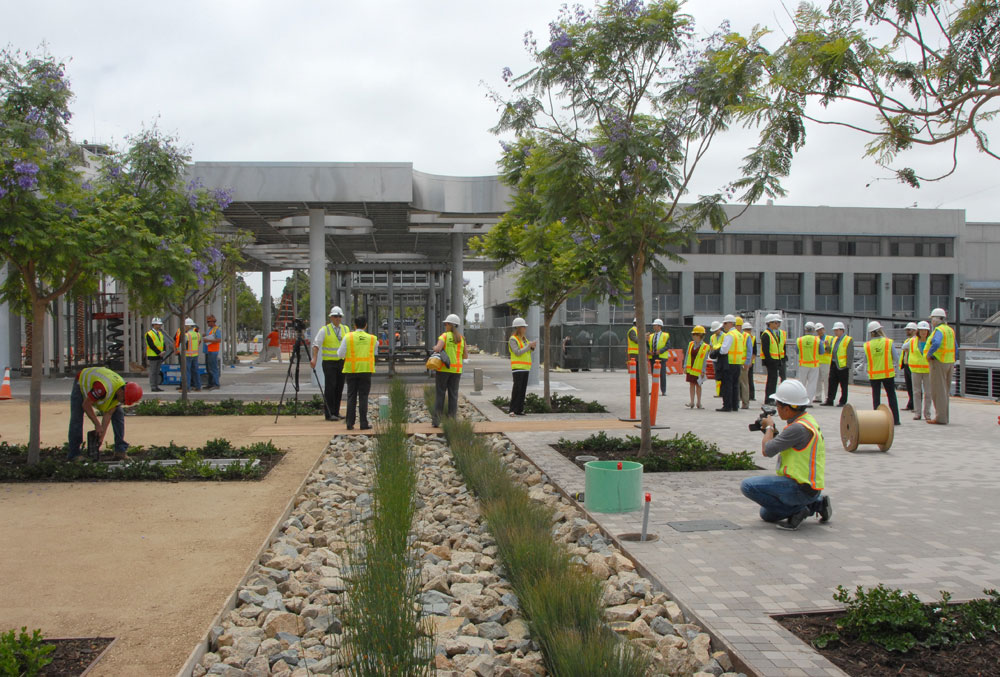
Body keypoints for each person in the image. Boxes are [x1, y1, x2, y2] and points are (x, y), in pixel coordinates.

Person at [739, 379, 832, 531]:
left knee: (748, 486)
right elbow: (782, 443)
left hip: (800, 487)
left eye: (779, 405)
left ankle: (798, 511)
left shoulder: (797, 428)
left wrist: (769, 426)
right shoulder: (806, 421)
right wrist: (770, 430)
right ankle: (817, 504)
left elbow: (767, 450)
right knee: (766, 514)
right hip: (810, 488)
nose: (777, 409)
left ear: (788, 408)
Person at [68, 367, 143, 462]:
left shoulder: (121, 391)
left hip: (100, 385)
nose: (123, 402)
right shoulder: (103, 387)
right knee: (77, 417)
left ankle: (120, 450)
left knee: (118, 413)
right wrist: (97, 424)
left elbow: (108, 414)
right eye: (124, 400)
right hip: (81, 382)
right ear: (122, 391)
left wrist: (101, 436)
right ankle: (74, 454)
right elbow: (86, 405)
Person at [337, 315, 376, 430]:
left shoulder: (348, 337)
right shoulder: (372, 338)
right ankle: (363, 423)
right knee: (363, 397)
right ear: (366, 325)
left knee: (351, 396)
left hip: (351, 370)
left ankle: (350, 423)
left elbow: (340, 354)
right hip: (366, 370)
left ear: (354, 325)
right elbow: (375, 350)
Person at [311, 306, 348, 421]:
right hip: (329, 363)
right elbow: (316, 345)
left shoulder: (346, 329)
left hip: (342, 362)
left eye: (339, 316)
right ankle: (329, 413)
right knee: (330, 387)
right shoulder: (325, 330)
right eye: (335, 316)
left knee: (339, 387)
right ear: (331, 317)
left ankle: (336, 412)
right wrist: (314, 358)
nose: (338, 318)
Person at [432, 314, 468, 427]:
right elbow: (465, 356)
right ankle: (451, 419)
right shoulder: (461, 338)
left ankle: (437, 421)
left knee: (440, 394)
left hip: (444, 369)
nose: (445, 325)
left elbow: (437, 349)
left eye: (445, 324)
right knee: (453, 395)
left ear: (449, 324)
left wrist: (434, 348)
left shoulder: (444, 336)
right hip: (456, 371)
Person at [923, 307, 956, 425]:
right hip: (949, 362)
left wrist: (929, 354)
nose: (931, 321)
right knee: (945, 391)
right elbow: (955, 347)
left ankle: (940, 418)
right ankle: (945, 416)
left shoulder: (939, 330)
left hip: (939, 362)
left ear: (936, 319)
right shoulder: (950, 330)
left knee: (938, 391)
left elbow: (936, 343)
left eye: (932, 319)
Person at [864, 321, 900, 425]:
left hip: (874, 375)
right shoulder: (888, 342)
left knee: (876, 397)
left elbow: (865, 360)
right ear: (880, 330)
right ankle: (896, 419)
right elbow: (896, 358)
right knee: (891, 396)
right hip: (887, 374)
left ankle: (877, 421)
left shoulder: (867, 345)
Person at [508, 317, 537, 416]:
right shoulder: (513, 339)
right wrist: (528, 346)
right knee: (517, 388)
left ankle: (519, 409)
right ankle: (512, 409)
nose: (525, 329)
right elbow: (517, 352)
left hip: (525, 368)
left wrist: (532, 348)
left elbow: (527, 351)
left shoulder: (524, 339)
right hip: (518, 367)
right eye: (524, 327)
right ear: (519, 328)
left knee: (522, 389)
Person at [717, 314, 743, 412]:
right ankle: (735, 405)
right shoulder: (739, 334)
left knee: (727, 385)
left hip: (729, 362)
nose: (723, 325)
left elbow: (724, 350)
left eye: (725, 323)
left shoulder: (729, 335)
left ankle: (727, 406)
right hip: (737, 363)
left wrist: (717, 351)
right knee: (735, 385)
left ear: (731, 323)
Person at [823, 322, 852, 407]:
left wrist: (848, 366)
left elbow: (850, 354)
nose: (835, 332)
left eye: (836, 330)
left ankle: (843, 401)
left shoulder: (848, 340)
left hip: (843, 366)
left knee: (843, 385)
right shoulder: (834, 339)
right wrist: (827, 346)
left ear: (842, 330)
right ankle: (830, 400)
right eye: (834, 330)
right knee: (832, 383)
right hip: (834, 364)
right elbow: (829, 351)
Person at [760, 314, 787, 402]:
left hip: (777, 360)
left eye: (778, 322)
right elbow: (766, 350)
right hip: (771, 361)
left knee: (774, 380)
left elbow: (781, 347)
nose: (778, 324)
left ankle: (771, 398)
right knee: (771, 381)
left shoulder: (776, 334)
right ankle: (769, 399)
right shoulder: (766, 334)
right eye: (776, 323)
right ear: (770, 323)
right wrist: (770, 360)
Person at [909, 321, 932, 420]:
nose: (923, 332)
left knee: (928, 393)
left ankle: (927, 413)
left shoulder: (931, 341)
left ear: (928, 332)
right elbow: (905, 348)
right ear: (918, 331)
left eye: (925, 331)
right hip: (916, 369)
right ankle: (917, 413)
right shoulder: (913, 341)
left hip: (927, 370)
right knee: (916, 392)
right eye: (921, 330)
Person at [684, 325, 709, 409]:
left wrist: (703, 371)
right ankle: (692, 402)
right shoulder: (691, 344)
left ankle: (699, 402)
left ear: (699, 336)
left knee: (698, 385)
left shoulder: (705, 347)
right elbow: (687, 355)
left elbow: (705, 360)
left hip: (698, 370)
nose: (693, 336)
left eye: (694, 334)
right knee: (691, 385)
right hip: (691, 369)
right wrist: (685, 367)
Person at [796, 322, 821, 402]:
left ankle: (800, 400)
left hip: (803, 364)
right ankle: (809, 401)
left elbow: (797, 351)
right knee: (812, 384)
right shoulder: (817, 340)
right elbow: (822, 351)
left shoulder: (799, 340)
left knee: (802, 383)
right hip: (814, 365)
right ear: (813, 330)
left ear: (805, 330)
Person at [648, 318, 670, 396]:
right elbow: (647, 345)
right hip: (653, 356)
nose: (654, 327)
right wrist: (649, 351)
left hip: (661, 357)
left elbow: (667, 346)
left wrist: (660, 351)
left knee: (662, 374)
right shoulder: (651, 336)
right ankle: (654, 390)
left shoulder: (665, 335)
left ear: (659, 326)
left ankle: (663, 391)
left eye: (655, 325)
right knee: (654, 374)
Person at [899, 321, 918, 410]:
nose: (907, 331)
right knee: (909, 386)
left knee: (914, 386)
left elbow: (905, 347)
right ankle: (911, 405)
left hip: (913, 365)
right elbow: (904, 347)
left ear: (914, 331)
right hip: (907, 365)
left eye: (909, 330)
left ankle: (915, 405)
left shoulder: (915, 340)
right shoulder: (908, 340)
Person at [145, 317, 166, 392]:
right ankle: (153, 386)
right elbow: (151, 345)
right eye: (158, 324)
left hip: (159, 355)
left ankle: (156, 386)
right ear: (154, 324)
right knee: (153, 372)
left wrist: (163, 351)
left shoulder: (160, 333)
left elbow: (163, 343)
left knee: (157, 372)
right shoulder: (149, 334)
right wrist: (159, 352)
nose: (160, 325)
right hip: (153, 355)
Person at [203, 314, 223, 390]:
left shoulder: (216, 330)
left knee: (213, 368)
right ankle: (210, 383)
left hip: (213, 351)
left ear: (213, 322)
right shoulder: (210, 329)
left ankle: (216, 384)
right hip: (208, 351)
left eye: (208, 321)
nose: (207, 323)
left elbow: (218, 340)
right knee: (209, 368)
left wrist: (208, 340)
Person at [814, 323, 832, 403]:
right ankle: (818, 397)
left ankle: (827, 397)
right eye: (818, 330)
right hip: (817, 362)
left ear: (824, 329)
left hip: (826, 362)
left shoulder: (829, 338)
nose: (820, 332)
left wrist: (827, 345)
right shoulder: (816, 339)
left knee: (826, 380)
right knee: (817, 380)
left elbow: (830, 350)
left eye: (821, 330)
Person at [739, 321, 755, 409]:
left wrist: (747, 362)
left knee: (744, 383)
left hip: (742, 363)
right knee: (736, 384)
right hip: (735, 363)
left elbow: (750, 350)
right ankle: (736, 401)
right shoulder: (734, 335)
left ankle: (745, 402)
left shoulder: (746, 337)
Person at [183, 318, 202, 391]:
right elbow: (199, 342)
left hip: (187, 355)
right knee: (196, 371)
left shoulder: (187, 335)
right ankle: (198, 387)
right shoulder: (198, 334)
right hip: (195, 354)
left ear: (188, 326)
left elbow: (184, 346)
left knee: (187, 371)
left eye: (185, 326)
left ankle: (187, 388)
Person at [709, 321, 724, 399]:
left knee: (723, 376)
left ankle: (722, 392)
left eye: (716, 330)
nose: (715, 332)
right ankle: (718, 393)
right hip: (715, 358)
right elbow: (711, 347)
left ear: (720, 328)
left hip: (722, 358)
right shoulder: (712, 337)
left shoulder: (725, 336)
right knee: (717, 376)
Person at [627, 318, 640, 394]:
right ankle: (637, 390)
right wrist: (644, 337)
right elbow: (635, 340)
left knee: (639, 373)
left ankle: (639, 389)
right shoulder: (632, 331)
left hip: (638, 354)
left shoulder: (638, 331)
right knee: (636, 374)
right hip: (634, 355)